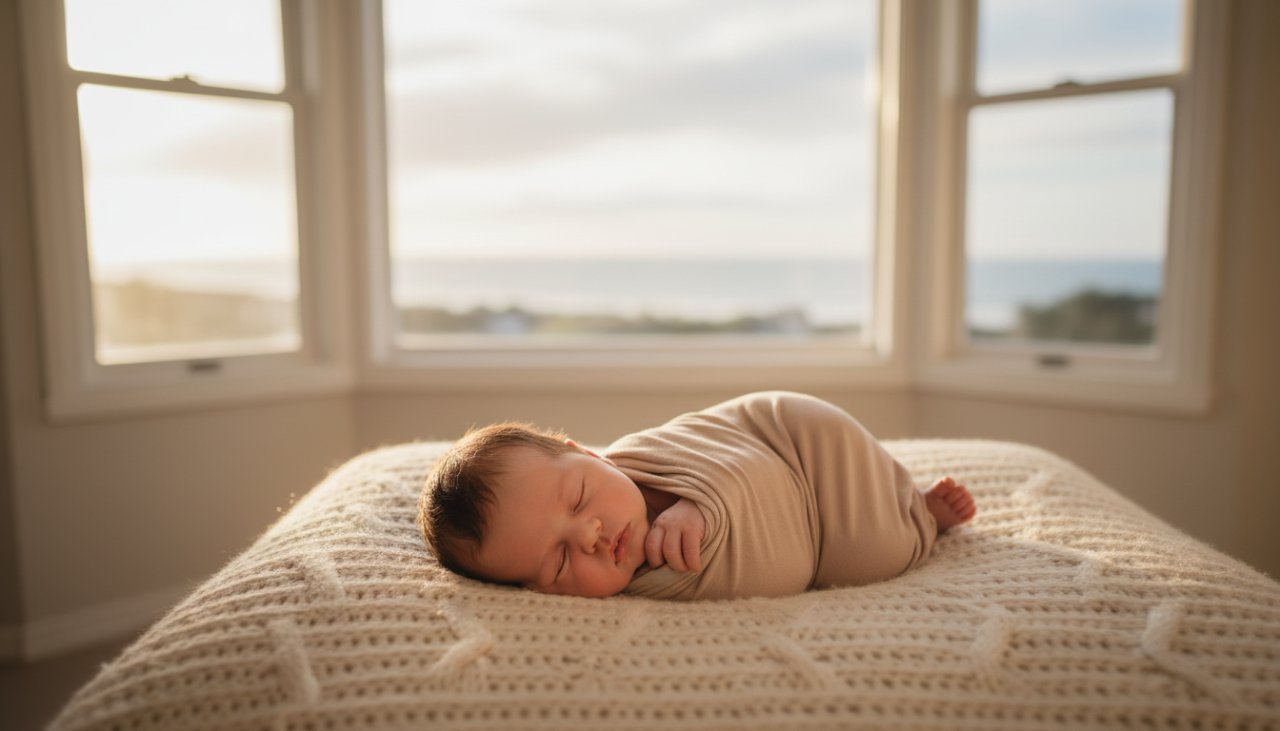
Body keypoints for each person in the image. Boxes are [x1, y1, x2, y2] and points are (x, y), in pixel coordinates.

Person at [418, 392, 976, 600]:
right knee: (856, 560)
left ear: (587, 454)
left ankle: (919, 509)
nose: (589, 535)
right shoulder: (635, 596)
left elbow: (748, 460)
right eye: (559, 559)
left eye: (581, 498)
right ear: (534, 592)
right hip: (802, 527)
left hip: (794, 448)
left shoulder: (645, 459)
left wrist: (700, 503)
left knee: (876, 550)